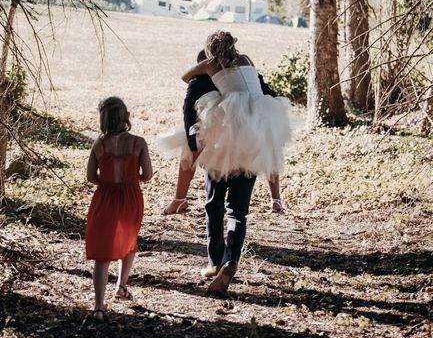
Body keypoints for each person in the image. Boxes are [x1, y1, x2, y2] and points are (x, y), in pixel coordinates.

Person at [181, 31, 291, 295]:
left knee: (214, 203)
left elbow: (185, 77)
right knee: (237, 211)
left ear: (210, 49)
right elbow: (262, 89)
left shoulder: (210, 65)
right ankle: (231, 261)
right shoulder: (248, 60)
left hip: (226, 136)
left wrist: (206, 68)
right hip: (255, 133)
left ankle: (214, 261)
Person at [159, 50, 285, 216]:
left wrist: (192, 143)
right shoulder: (242, 73)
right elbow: (270, 92)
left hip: (226, 128)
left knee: (187, 144)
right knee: (269, 143)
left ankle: (179, 198)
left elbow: (188, 112)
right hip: (248, 123)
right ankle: (276, 199)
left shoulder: (201, 79)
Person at [85, 97, 153, 322]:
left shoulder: (99, 144)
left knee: (102, 255)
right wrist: (132, 179)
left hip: (105, 197)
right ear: (126, 117)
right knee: (129, 239)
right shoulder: (138, 143)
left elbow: (90, 177)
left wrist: (107, 183)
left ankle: (98, 307)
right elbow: (148, 175)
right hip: (130, 197)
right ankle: (121, 286)